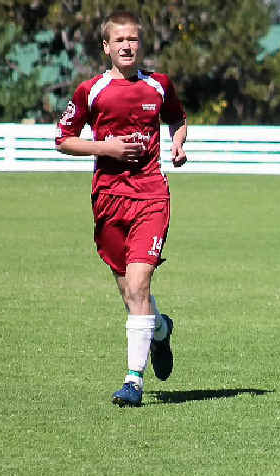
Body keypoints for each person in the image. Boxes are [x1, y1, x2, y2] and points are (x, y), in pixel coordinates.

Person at [55, 10, 187, 407]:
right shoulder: (90, 90)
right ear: (106, 47)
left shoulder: (159, 85)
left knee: (139, 284)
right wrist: (106, 148)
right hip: (108, 198)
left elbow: (178, 119)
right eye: (120, 40)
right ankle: (160, 329)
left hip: (151, 196)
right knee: (130, 291)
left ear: (140, 44)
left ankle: (133, 381)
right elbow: (63, 139)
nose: (127, 46)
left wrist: (178, 143)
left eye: (133, 39)